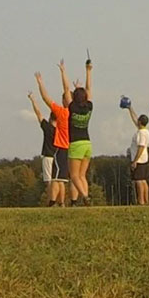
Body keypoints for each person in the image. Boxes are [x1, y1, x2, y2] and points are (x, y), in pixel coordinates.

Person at [35, 63, 72, 205]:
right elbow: (68, 89)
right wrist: (64, 72)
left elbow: (46, 98)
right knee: (62, 179)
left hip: (60, 146)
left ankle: (52, 202)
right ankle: (63, 202)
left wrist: (40, 83)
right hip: (70, 146)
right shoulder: (77, 112)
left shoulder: (62, 113)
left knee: (55, 179)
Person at [28, 92, 67, 206]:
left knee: (50, 182)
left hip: (48, 156)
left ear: (50, 117)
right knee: (60, 181)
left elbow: (39, 114)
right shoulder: (62, 131)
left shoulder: (47, 128)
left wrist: (33, 100)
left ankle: (51, 201)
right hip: (59, 156)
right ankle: (62, 202)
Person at [65, 59, 94, 206]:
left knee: (74, 175)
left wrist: (63, 72)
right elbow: (88, 90)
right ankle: (86, 198)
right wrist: (88, 71)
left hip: (76, 143)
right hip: (88, 143)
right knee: (82, 175)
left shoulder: (72, 108)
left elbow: (65, 89)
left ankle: (84, 196)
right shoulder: (89, 106)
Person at [125, 101, 149, 205]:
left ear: (141, 122)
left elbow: (141, 147)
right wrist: (130, 108)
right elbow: (135, 119)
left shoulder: (141, 133)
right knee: (143, 180)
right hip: (143, 159)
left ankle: (141, 201)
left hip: (139, 159)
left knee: (139, 180)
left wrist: (135, 161)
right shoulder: (145, 130)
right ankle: (145, 200)